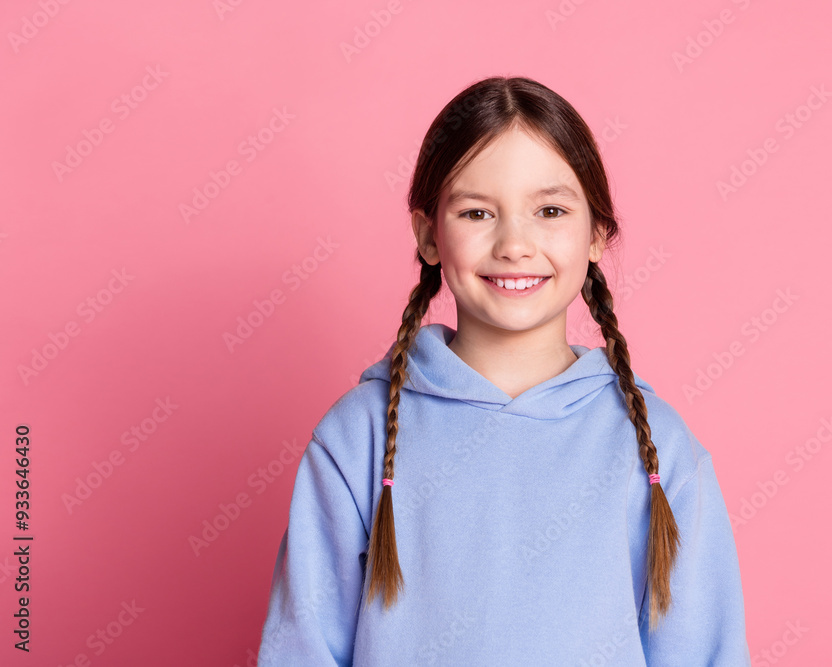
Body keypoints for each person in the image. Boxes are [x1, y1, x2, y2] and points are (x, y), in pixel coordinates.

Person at [256, 75, 750, 666]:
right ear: (428, 234)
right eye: (476, 212)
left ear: (596, 232)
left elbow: (704, 652)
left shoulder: (660, 449)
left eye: (549, 210)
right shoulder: (354, 439)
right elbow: (301, 649)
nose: (515, 244)